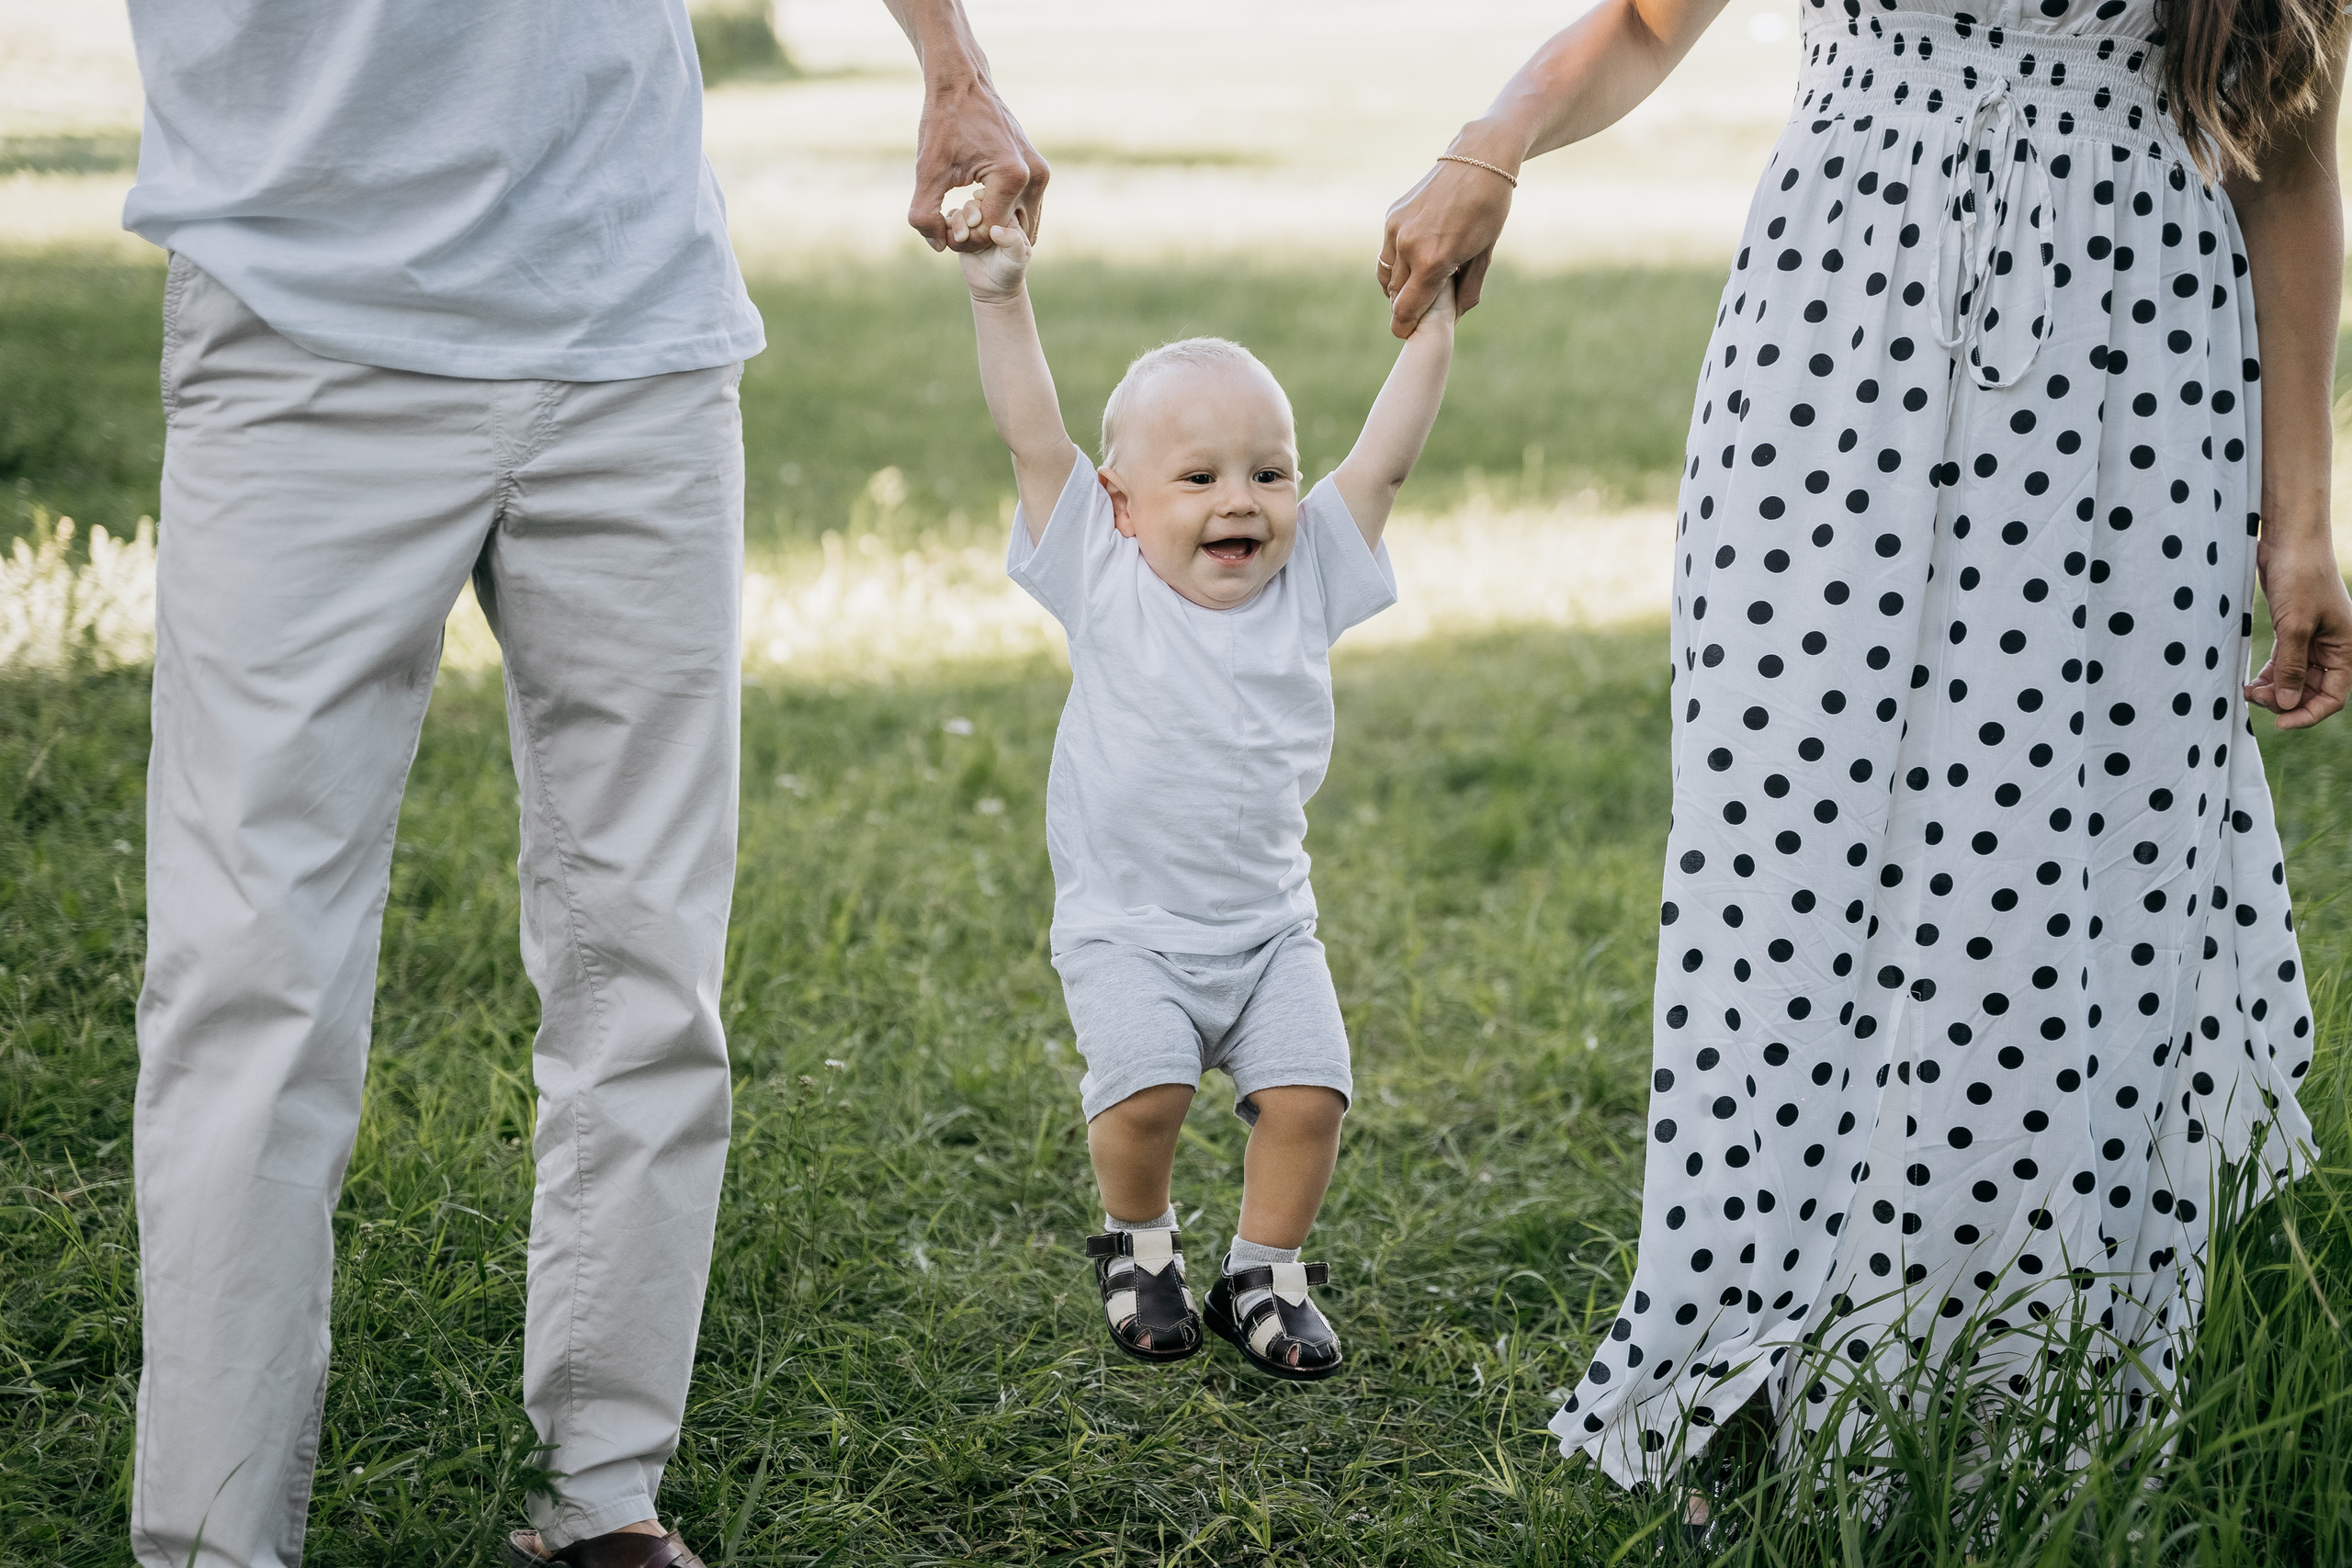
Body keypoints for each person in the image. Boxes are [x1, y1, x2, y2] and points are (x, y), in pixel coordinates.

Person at [1379, 0, 2349, 1503]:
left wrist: (2301, 519)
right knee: (1784, 854)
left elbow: (2286, 132)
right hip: (1833, 335)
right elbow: (1645, 22)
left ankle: (2020, 1383)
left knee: (2048, 881)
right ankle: (1753, 1352)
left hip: (2125, 368)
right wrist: (1492, 139)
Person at [118, 4, 1046, 1565]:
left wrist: (951, 59)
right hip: (302, 311)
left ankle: (600, 1497)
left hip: (632, 315)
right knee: (248, 975)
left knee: (649, 952)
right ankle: (211, 1539)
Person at [944, 197, 1456, 1380]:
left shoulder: (1312, 571)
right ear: (1122, 504)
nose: (1242, 501)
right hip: (1129, 931)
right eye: (1199, 477)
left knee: (1311, 1101)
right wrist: (998, 292)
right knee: (1148, 1098)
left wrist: (1428, 331)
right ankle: (1141, 1245)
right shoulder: (1102, 569)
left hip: (1271, 928)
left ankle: (1263, 1275)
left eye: (1268, 471)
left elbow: (1383, 459)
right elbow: (1034, 439)